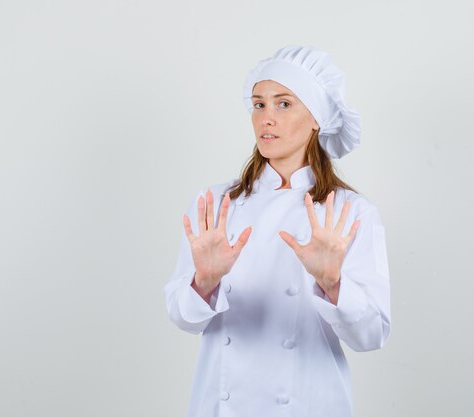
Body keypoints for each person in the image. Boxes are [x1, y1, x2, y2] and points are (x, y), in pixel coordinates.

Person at [163, 45, 391, 417]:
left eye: (284, 104)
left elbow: (371, 336)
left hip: (309, 404)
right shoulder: (216, 203)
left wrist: (333, 284)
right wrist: (203, 282)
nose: (266, 118)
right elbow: (181, 317)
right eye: (259, 104)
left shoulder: (351, 212)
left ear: (317, 118)